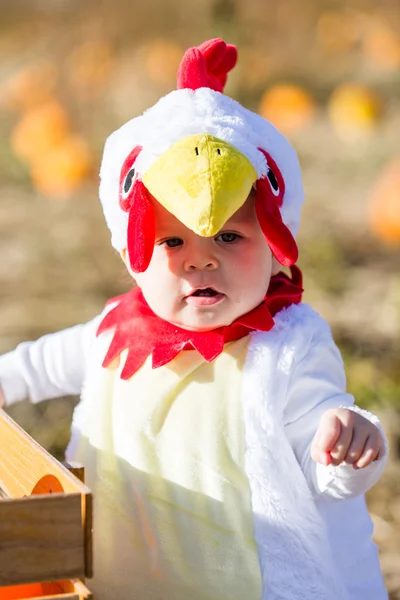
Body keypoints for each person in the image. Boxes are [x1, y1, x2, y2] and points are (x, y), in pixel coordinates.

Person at [0, 39, 388, 600]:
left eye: (229, 236)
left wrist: (347, 446)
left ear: (275, 245)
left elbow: (322, 465)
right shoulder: (115, 331)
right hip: (119, 582)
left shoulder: (286, 347)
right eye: (173, 240)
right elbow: (38, 365)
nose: (201, 258)